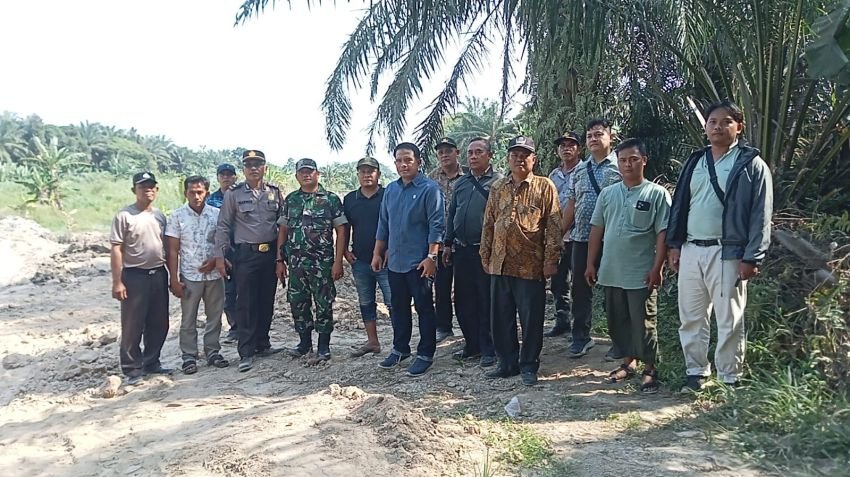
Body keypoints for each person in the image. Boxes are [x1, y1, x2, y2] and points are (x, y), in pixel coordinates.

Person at [667, 100, 773, 392]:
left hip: (728, 252)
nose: (717, 127)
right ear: (705, 127)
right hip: (691, 249)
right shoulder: (695, 162)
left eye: (726, 121)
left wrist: (752, 257)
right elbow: (680, 205)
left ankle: (730, 377)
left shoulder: (751, 164)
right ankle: (696, 372)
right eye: (712, 121)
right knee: (691, 316)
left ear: (738, 127)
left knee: (729, 317)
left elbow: (760, 215)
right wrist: (674, 245)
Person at [585, 138, 670, 394]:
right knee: (617, 320)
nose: (628, 164)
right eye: (623, 160)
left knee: (643, 320)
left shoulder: (657, 194)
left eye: (633, 159)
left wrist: (658, 267)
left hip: (640, 272)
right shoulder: (609, 194)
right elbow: (596, 229)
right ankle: (627, 363)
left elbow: (662, 233)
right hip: (611, 270)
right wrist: (590, 263)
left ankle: (650, 369)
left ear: (644, 160)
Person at [480, 136, 562, 386]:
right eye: (514, 154)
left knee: (531, 319)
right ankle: (507, 363)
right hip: (500, 263)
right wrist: (485, 254)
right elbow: (489, 223)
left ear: (533, 159)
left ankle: (529, 365)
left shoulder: (544, 186)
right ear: (508, 158)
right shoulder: (498, 187)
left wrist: (551, 259)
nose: (519, 158)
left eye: (525, 154)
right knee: (501, 317)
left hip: (530, 265)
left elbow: (554, 226)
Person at [373, 142, 444, 377]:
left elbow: (437, 225)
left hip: (420, 262)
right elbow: (384, 224)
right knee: (399, 307)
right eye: (399, 161)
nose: (403, 165)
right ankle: (400, 348)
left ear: (418, 162)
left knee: (424, 308)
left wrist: (432, 256)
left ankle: (425, 354)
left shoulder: (429, 189)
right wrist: (377, 253)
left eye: (408, 160)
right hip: (394, 261)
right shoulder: (391, 191)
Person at [214, 149, 283, 372]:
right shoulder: (233, 195)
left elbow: (282, 225)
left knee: (266, 300)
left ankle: (263, 343)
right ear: (243, 169)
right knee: (245, 303)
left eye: (258, 164)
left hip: (270, 254)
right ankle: (246, 351)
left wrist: (282, 256)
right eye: (249, 164)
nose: (254, 168)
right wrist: (220, 256)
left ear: (265, 167)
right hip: (245, 255)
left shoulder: (275, 192)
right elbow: (223, 226)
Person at [562, 118, 622, 359]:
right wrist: (558, 234)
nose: (594, 139)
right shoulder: (579, 170)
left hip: (613, 240)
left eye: (599, 134)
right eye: (589, 136)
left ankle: (619, 341)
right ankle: (581, 337)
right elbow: (572, 204)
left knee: (614, 292)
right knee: (579, 291)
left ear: (611, 137)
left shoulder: (621, 166)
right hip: (581, 239)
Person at [277, 158, 347, 361]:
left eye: (310, 171)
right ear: (297, 175)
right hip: (296, 263)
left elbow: (341, 231)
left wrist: (337, 261)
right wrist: (279, 260)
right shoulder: (291, 200)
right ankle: (304, 343)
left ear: (317, 174)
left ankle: (323, 346)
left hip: (322, 263)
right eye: (302, 172)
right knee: (298, 303)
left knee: (324, 303)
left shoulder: (330, 200)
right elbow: (283, 230)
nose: (306, 175)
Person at [443, 137, 503, 367]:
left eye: (479, 152)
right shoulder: (462, 183)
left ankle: (489, 348)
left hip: (485, 251)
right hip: (462, 250)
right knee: (463, 300)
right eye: (470, 153)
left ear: (489, 155)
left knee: (486, 300)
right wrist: (448, 243)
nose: (473, 156)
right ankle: (471, 344)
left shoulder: (498, 182)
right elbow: (452, 213)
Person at [109, 171, 172, 385]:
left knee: (159, 321)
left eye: (151, 186)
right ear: (134, 190)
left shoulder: (159, 216)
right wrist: (117, 281)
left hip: (158, 273)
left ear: (157, 189)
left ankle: (151, 362)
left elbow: (168, 247)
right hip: (134, 275)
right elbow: (116, 249)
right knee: (133, 323)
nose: (148, 190)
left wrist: (172, 276)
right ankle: (132, 368)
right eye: (143, 186)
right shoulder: (124, 216)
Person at [166, 175, 230, 374]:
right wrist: (174, 279)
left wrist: (215, 261)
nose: (196, 196)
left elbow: (224, 242)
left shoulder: (217, 214)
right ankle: (189, 356)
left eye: (200, 192)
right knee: (188, 318)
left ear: (207, 193)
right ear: (185, 193)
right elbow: (172, 250)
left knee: (215, 316)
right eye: (192, 192)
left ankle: (212, 352)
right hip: (189, 275)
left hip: (214, 275)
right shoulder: (177, 217)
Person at [343, 157, 393, 357]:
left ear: (378, 174)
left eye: (371, 171)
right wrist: (345, 251)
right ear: (358, 174)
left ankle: (399, 343)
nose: (367, 175)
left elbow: (395, 223)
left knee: (393, 302)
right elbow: (344, 228)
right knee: (366, 302)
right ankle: (372, 341)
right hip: (360, 260)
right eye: (363, 171)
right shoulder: (350, 199)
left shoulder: (389, 195)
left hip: (387, 260)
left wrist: (390, 249)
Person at [429, 136, 467, 342]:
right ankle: (443, 326)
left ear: (457, 153)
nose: (444, 155)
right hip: (440, 241)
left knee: (464, 288)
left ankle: (468, 328)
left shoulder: (468, 176)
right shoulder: (431, 178)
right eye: (441, 152)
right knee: (441, 287)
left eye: (448, 151)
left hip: (462, 242)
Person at [546, 131, 582, 339]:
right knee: (558, 281)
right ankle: (562, 320)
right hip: (556, 236)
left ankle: (580, 325)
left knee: (578, 282)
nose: (566, 148)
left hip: (578, 235)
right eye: (562, 145)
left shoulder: (585, 171)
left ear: (579, 148)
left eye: (571, 145)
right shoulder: (553, 175)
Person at [207, 163, 238, 344]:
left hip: (242, 250)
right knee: (228, 293)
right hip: (223, 252)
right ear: (218, 177)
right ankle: (234, 327)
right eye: (223, 175)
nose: (226, 178)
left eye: (229, 175)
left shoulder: (241, 195)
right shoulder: (211, 201)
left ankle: (247, 328)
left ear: (235, 177)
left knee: (246, 292)